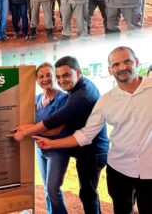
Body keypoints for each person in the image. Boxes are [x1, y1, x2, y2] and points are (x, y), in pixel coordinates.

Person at [33, 47, 152, 214]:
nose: (122, 67)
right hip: (119, 168)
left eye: (127, 62)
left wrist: (32, 132)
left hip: (124, 162)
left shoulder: (83, 94)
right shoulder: (106, 100)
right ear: (110, 69)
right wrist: (51, 143)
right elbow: (84, 134)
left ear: (137, 62)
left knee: (89, 193)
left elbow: (58, 120)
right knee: (119, 206)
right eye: (116, 64)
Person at [9, 56, 109, 214]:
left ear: (78, 72)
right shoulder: (44, 97)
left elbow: (54, 124)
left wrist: (27, 131)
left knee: (84, 193)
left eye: (65, 75)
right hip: (59, 147)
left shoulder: (77, 96)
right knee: (63, 190)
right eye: (59, 76)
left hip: (91, 151)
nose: (60, 80)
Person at [33, 62, 70, 213]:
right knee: (47, 189)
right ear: (36, 80)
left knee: (52, 189)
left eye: (49, 75)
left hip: (57, 150)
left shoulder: (63, 99)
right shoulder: (36, 99)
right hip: (40, 148)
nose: (45, 79)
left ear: (55, 76)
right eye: (41, 76)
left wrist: (30, 132)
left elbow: (57, 130)